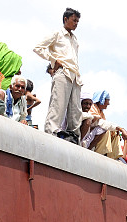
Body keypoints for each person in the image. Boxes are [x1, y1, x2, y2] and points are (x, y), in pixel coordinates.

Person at [34, 8, 82, 143]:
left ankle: (74, 137)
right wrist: (55, 61)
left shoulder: (74, 39)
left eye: (78, 21)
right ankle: (51, 134)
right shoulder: (57, 34)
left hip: (75, 75)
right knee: (58, 106)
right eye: (74, 20)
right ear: (66, 19)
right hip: (63, 72)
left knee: (75, 111)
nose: (76, 24)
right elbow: (38, 48)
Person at [84, 91, 127, 159]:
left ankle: (113, 156)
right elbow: (101, 123)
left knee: (115, 133)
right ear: (102, 100)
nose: (108, 103)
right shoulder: (92, 108)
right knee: (105, 129)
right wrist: (120, 128)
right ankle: (100, 152)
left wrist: (116, 130)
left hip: (93, 136)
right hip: (87, 137)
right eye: (107, 101)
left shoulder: (101, 112)